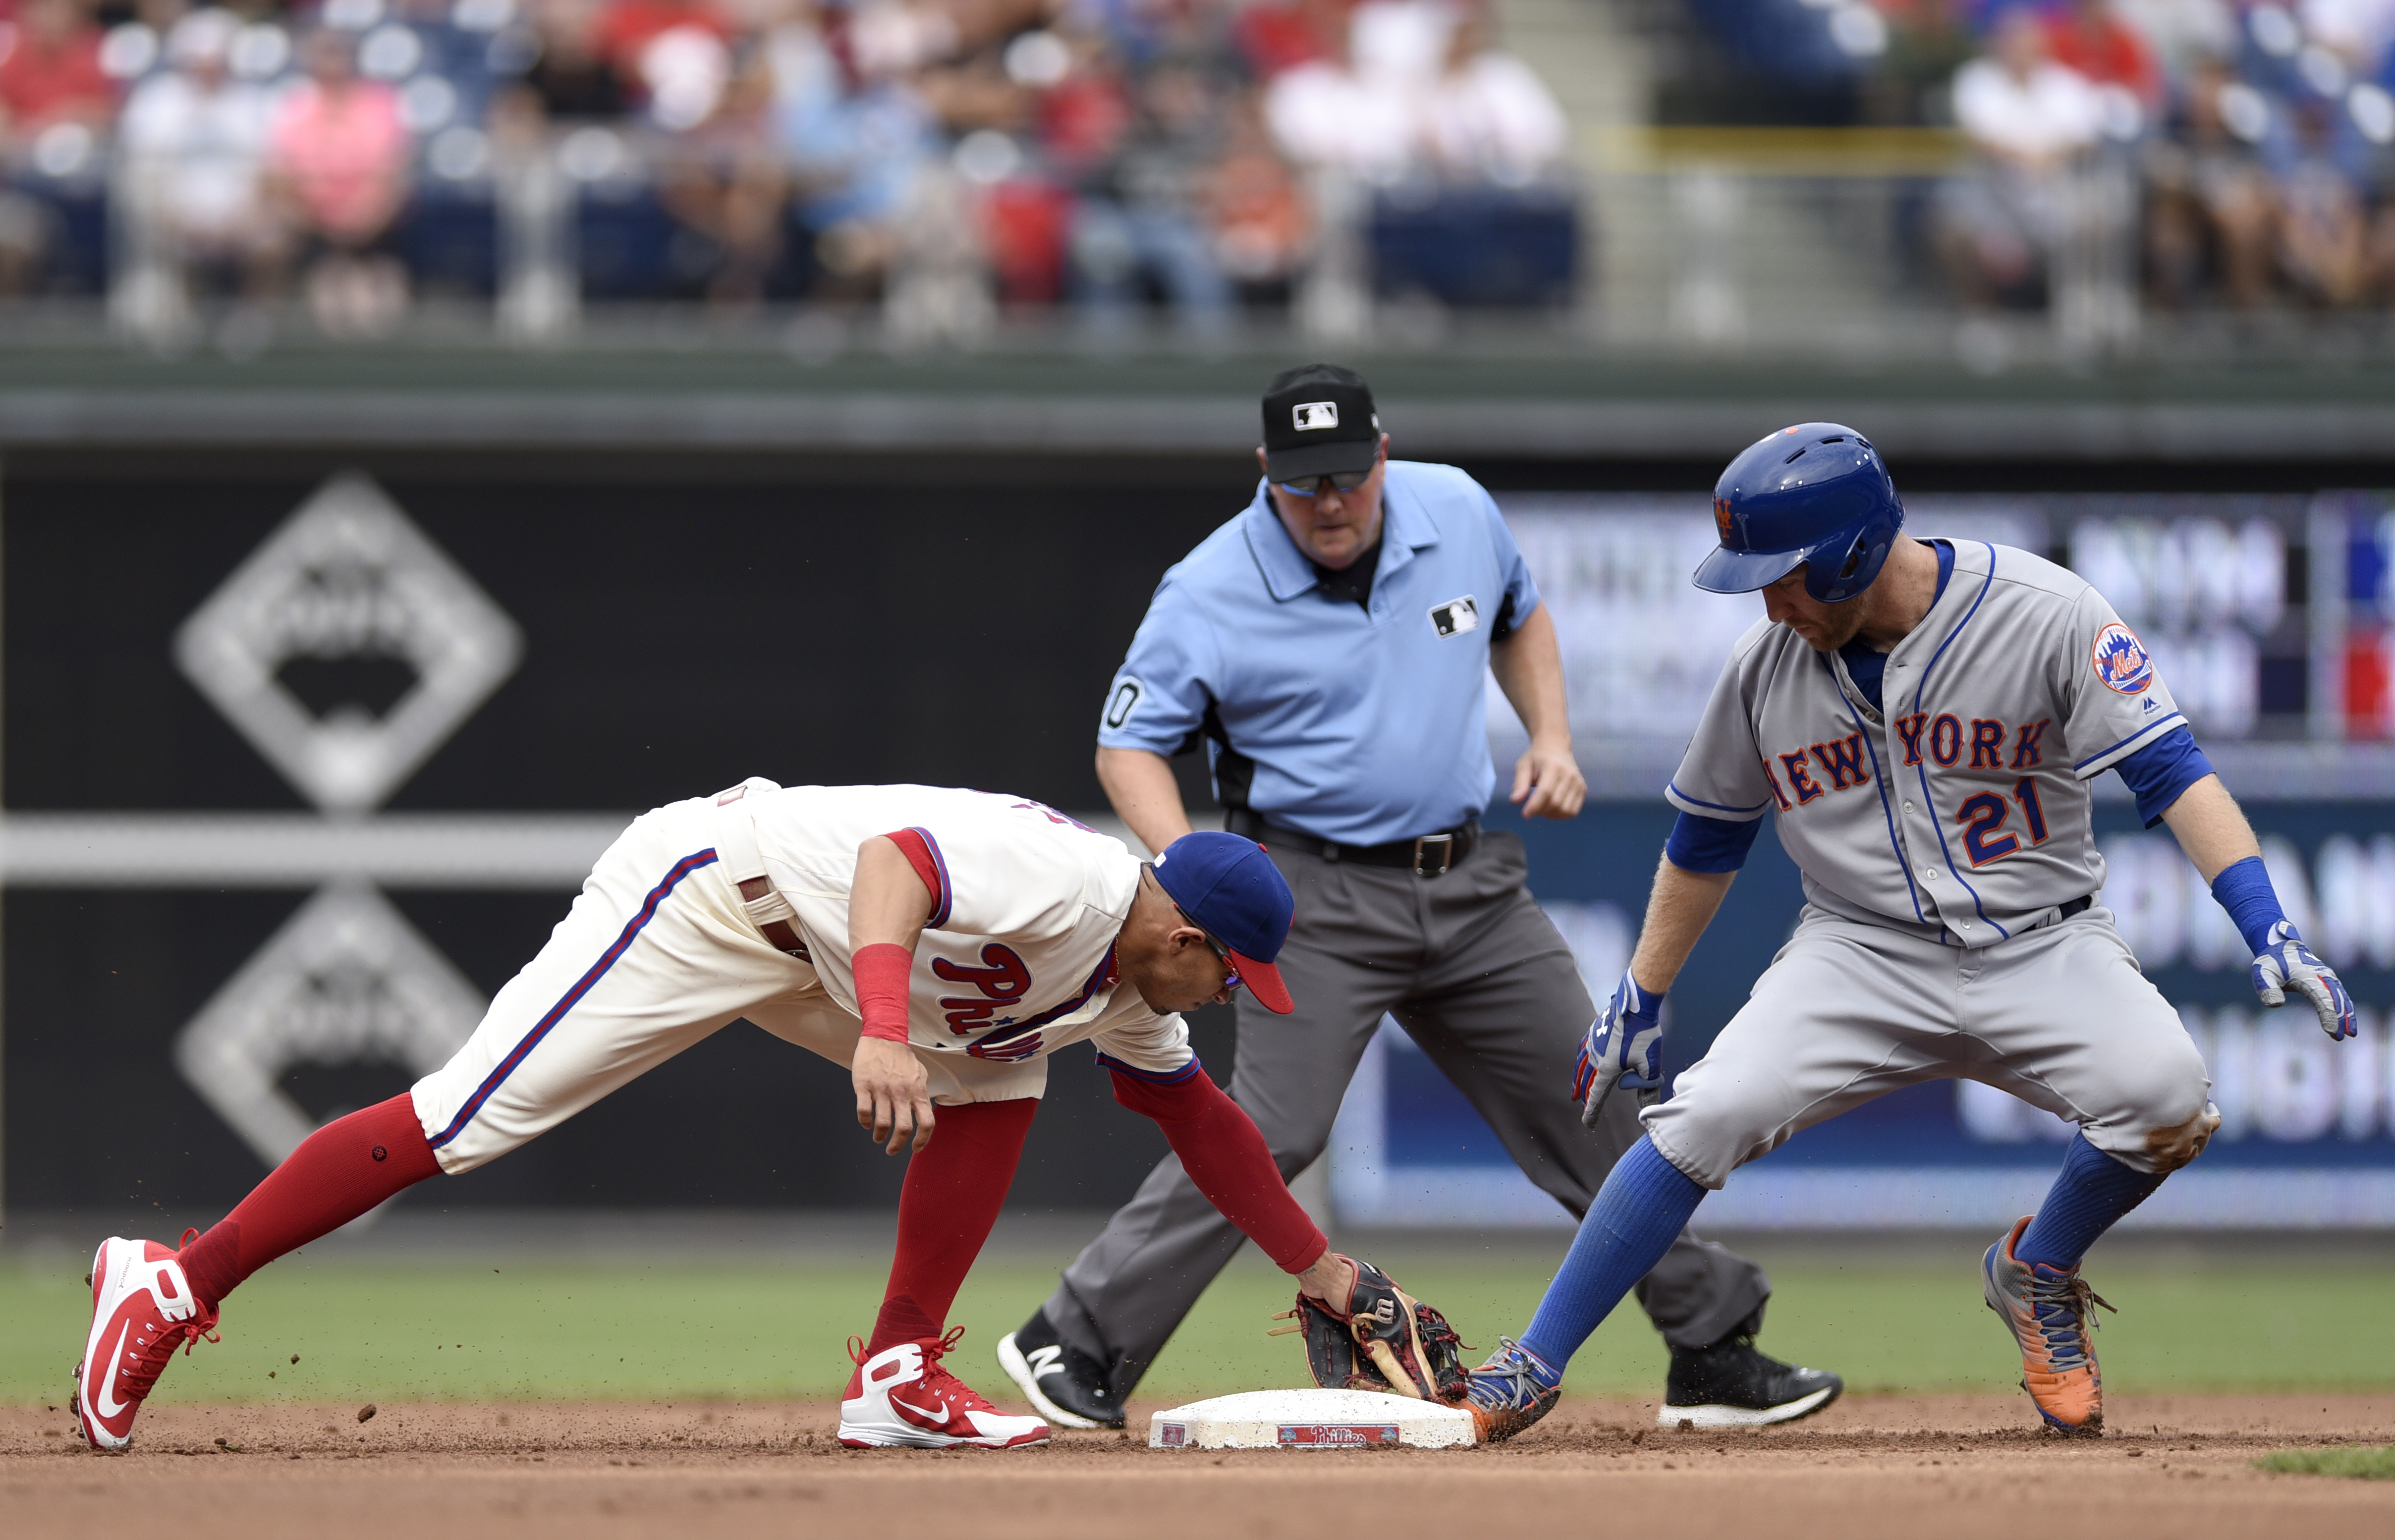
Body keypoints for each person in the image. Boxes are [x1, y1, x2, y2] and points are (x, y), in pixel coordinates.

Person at [1459, 423, 2356, 1442]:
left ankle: (2038, 1270)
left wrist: (2264, 920)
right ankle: (1529, 1363)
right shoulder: (1765, 669)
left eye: (1783, 578)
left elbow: (2169, 773)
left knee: (2166, 1098)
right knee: (1699, 1118)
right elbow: (1704, 841)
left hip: (2041, 944)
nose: (1767, 604)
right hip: (1858, 955)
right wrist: (1642, 991)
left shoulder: (2045, 613)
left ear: (1848, 551)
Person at [995, 363, 1842, 1433]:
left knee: (1596, 1106)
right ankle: (1074, 1337)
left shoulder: (1455, 510)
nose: (1331, 501)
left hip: (1469, 885)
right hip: (1310, 893)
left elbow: (1519, 620)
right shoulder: (1207, 586)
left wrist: (1549, 737)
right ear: (1267, 475)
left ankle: (1710, 1345)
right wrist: (1190, 877)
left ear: (1382, 455)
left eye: (1348, 475)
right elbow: (1128, 745)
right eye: (1304, 484)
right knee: (1272, 1129)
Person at [75, 780, 1413, 1452]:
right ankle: (172, 1282)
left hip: (824, 955)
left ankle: (895, 1373)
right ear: (1182, 927)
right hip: (717, 894)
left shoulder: (1126, 982)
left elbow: (1203, 1125)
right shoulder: (1071, 882)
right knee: (467, 1114)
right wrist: (884, 1028)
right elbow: (898, 869)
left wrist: (1323, 1268)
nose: (1229, 997)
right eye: (1227, 973)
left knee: (1003, 1067)